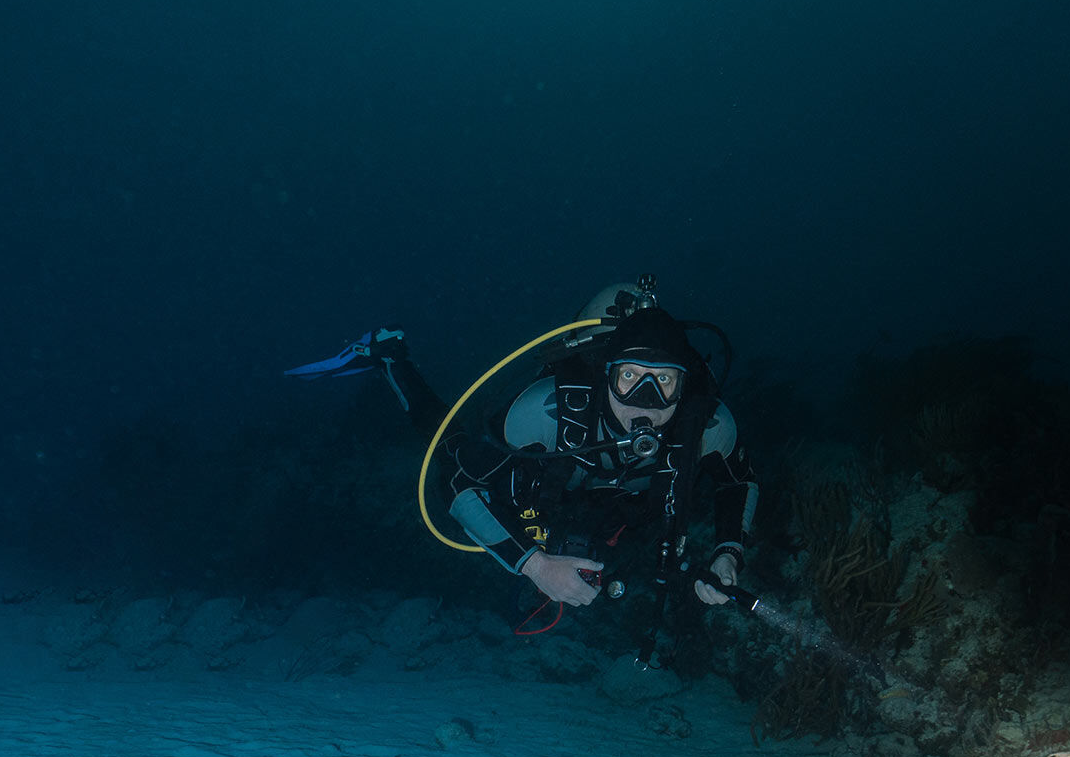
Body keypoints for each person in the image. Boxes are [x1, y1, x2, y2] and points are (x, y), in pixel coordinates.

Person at [289, 279, 758, 664]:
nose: (646, 402)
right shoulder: (547, 413)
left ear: (685, 387)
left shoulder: (708, 427)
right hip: (539, 490)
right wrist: (534, 565)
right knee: (447, 438)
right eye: (630, 378)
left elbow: (741, 480)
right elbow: (456, 481)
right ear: (605, 374)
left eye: (665, 382)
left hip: (618, 514)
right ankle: (390, 356)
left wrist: (727, 555)